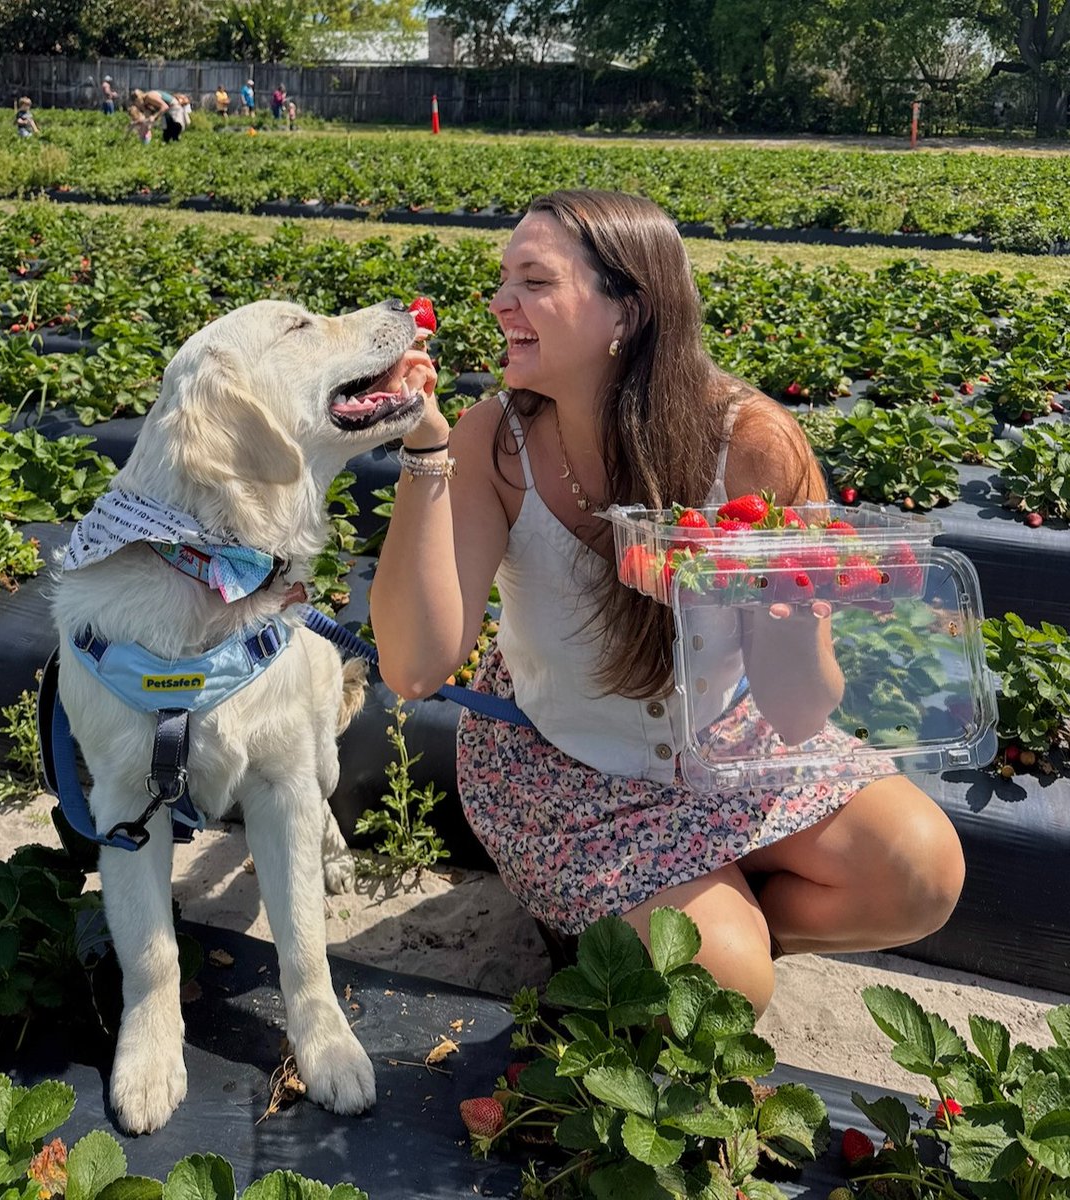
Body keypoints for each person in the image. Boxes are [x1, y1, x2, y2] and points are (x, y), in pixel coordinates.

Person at [370, 189, 965, 1015]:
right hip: (566, 771)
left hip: (734, 746)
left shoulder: (753, 444)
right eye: (503, 279)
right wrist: (425, 446)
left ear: (629, 310)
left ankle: (688, 929)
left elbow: (797, 713)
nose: (501, 303)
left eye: (535, 281)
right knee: (724, 981)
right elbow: (414, 665)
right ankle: (683, 937)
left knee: (920, 871)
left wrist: (787, 618)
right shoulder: (492, 442)